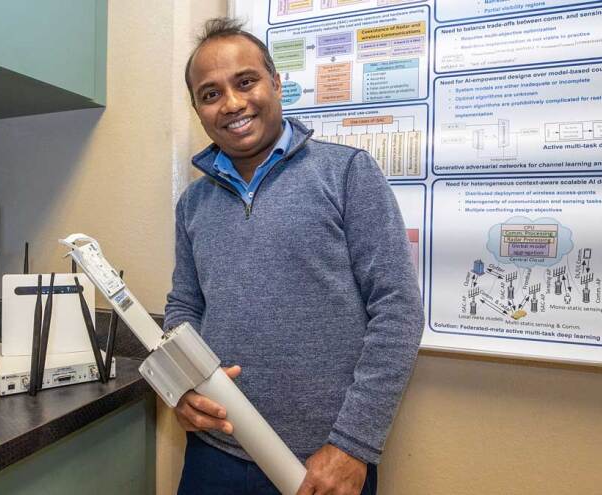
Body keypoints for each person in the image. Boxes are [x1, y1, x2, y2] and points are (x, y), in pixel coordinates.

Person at [165, 17, 424, 495]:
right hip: (214, 453)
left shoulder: (346, 173)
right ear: (198, 109)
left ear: (276, 84)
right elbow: (185, 307)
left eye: (246, 82)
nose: (233, 104)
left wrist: (353, 446)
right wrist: (178, 385)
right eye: (211, 93)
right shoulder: (193, 205)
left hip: (322, 464)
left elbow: (397, 310)